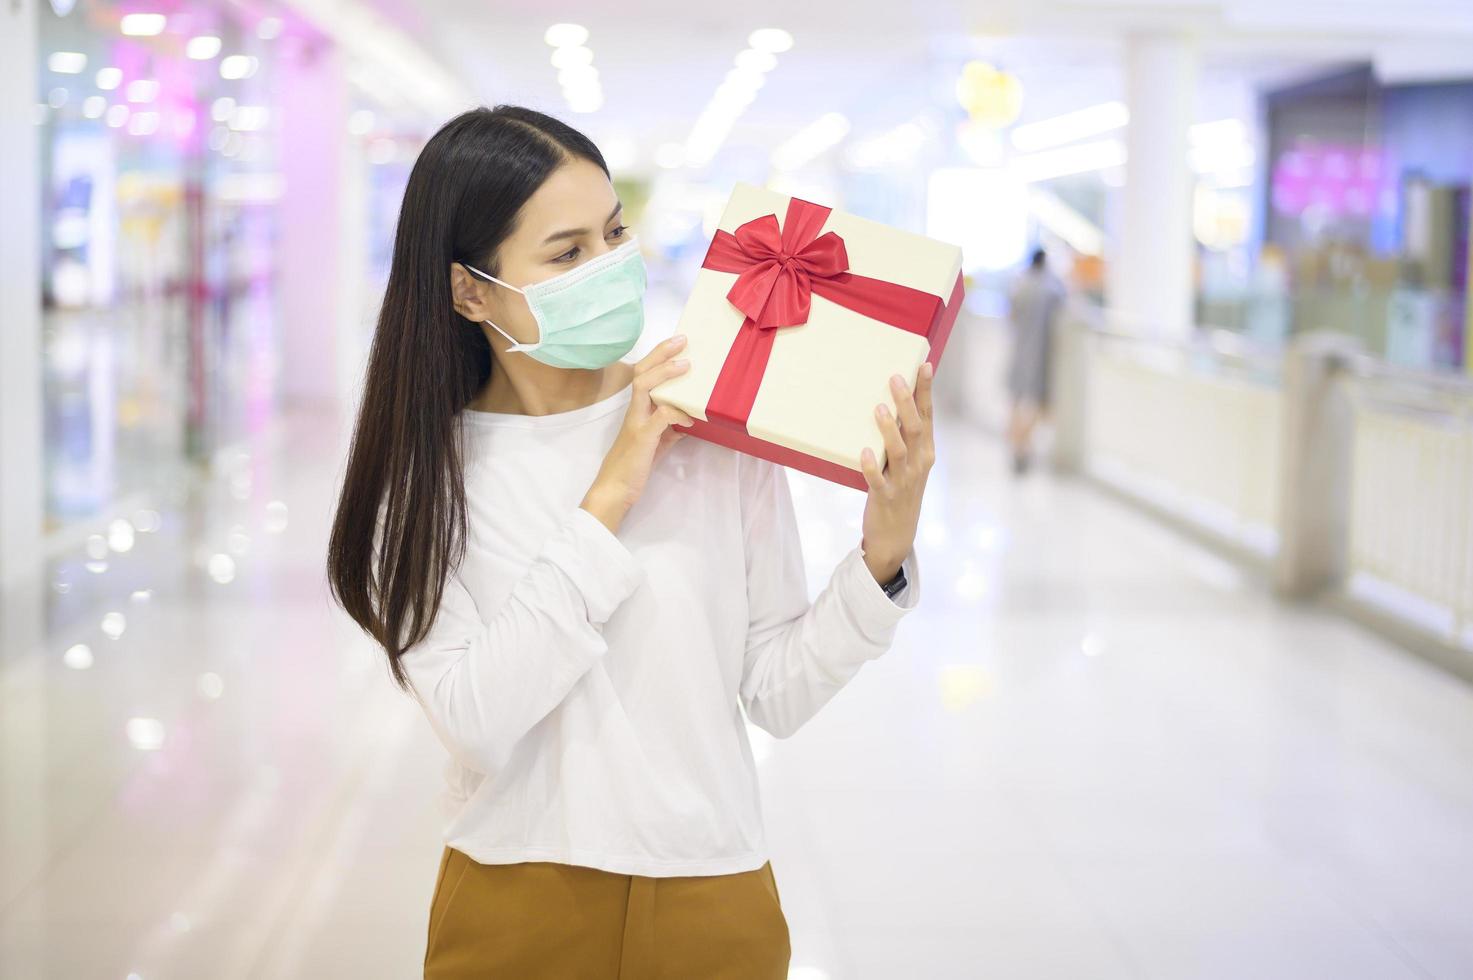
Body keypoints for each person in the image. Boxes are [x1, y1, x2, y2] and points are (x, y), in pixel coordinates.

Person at [325, 105, 935, 979]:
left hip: (710, 894)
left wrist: (881, 558)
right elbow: (477, 723)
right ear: (470, 291)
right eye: (567, 253)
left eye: (614, 233)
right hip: (511, 901)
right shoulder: (428, 479)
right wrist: (610, 492)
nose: (610, 267)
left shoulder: (715, 429)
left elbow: (774, 692)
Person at [1005, 247, 1066, 474]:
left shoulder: (1019, 286)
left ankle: (1017, 446)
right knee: (1033, 404)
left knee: (1015, 401)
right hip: (1039, 354)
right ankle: (1021, 447)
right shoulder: (1050, 289)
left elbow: (1010, 315)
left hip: (1018, 349)